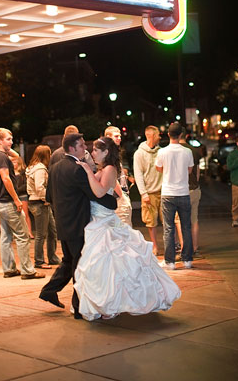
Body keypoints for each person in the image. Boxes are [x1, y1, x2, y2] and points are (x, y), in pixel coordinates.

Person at [74, 136, 181, 321]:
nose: (92, 153)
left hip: (105, 222)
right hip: (97, 220)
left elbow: (99, 191)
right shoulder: (103, 169)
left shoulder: (109, 169)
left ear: (106, 152)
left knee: (112, 264)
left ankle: (113, 303)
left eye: (95, 151)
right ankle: (105, 303)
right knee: (100, 266)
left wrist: (87, 171)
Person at [39, 133, 117, 318]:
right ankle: (78, 307)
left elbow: (49, 197)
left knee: (69, 260)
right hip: (78, 224)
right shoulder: (77, 169)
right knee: (79, 266)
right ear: (72, 148)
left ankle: (49, 290)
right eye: (82, 146)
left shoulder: (55, 167)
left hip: (62, 223)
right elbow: (93, 194)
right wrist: (113, 203)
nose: (86, 149)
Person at [0, 127, 45, 280]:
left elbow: (18, 158)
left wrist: (5, 149)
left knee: (6, 236)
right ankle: (28, 271)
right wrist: (16, 199)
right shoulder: (1, 158)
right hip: (8, 202)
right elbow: (6, 178)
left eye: (11, 139)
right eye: (8, 139)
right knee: (23, 236)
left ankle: (9, 269)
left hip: (0, 202)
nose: (11, 142)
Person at [156, 122, 194, 270]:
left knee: (168, 228)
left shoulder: (162, 152)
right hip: (183, 192)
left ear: (168, 135)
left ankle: (170, 261)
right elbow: (190, 171)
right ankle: (187, 260)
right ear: (180, 135)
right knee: (186, 227)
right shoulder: (187, 152)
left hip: (168, 193)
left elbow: (158, 168)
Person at [26, 145, 60, 268]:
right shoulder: (40, 169)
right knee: (41, 234)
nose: (51, 156)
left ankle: (52, 257)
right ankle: (39, 261)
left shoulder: (34, 167)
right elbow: (39, 187)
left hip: (42, 203)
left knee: (52, 231)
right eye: (49, 154)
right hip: (40, 203)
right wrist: (47, 199)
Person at [133, 125, 163, 254]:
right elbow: (138, 174)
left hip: (163, 191)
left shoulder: (161, 151)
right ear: (150, 136)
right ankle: (155, 246)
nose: (160, 137)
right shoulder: (139, 153)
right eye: (158, 135)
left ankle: (173, 244)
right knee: (151, 222)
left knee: (168, 220)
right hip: (149, 193)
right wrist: (143, 193)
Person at [175, 130, 202, 257]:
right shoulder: (194, 150)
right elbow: (197, 170)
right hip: (194, 188)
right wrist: (196, 183)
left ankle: (185, 249)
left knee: (180, 220)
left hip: (181, 190)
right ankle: (195, 247)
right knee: (194, 220)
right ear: (186, 136)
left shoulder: (175, 150)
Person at [104, 126, 133, 226]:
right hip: (117, 199)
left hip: (117, 197)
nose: (119, 138)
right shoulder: (109, 154)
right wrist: (122, 196)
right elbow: (112, 177)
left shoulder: (112, 153)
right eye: (116, 136)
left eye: (120, 136)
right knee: (124, 233)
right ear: (108, 137)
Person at [12, 155, 34, 239]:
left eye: (14, 162)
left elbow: (25, 185)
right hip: (14, 196)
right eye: (12, 162)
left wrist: (17, 190)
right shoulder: (10, 173)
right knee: (15, 215)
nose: (13, 164)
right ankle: (17, 233)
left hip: (22, 195)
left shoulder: (23, 173)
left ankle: (29, 232)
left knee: (25, 214)